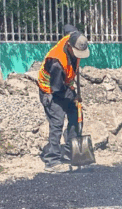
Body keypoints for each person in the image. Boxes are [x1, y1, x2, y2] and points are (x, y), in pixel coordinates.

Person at [37, 25, 89, 173]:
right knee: (57, 123)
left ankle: (69, 152)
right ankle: (52, 161)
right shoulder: (57, 62)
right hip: (51, 91)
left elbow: (68, 28)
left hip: (64, 86)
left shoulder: (74, 37)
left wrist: (74, 95)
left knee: (75, 117)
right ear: (69, 46)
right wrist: (73, 96)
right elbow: (57, 89)